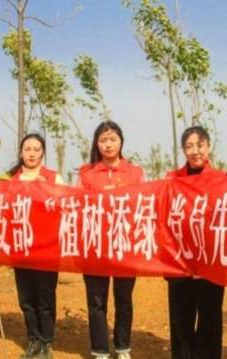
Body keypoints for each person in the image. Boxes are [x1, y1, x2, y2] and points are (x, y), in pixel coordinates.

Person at [79, 121, 144, 359]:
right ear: (97, 143)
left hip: (125, 245)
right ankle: (99, 350)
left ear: (121, 141)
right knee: (96, 300)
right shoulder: (86, 174)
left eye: (113, 139)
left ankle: (122, 346)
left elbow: (141, 205)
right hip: (95, 245)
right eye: (103, 140)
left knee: (124, 299)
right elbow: (78, 206)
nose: (108, 144)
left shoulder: (135, 172)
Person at [166, 126, 227, 359]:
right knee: (180, 319)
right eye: (189, 146)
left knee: (210, 317)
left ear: (208, 147)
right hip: (179, 262)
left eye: (199, 145)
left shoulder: (222, 180)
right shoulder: (172, 180)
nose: (195, 151)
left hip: (210, 262)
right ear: (183, 150)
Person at [9, 134, 64, 359]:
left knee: (45, 297)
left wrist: (47, 191)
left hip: (47, 248)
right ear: (21, 152)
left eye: (36, 149)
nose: (31, 153)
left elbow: (66, 205)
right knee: (26, 298)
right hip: (20, 248)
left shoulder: (53, 177)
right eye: (27, 149)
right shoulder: (11, 180)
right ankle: (33, 339)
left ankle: (46, 341)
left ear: (43, 153)